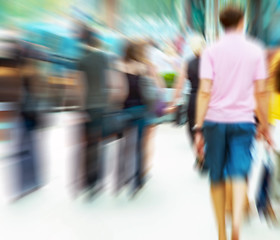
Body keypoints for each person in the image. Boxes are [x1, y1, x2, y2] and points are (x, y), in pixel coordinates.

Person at [194, 6, 271, 240]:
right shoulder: (255, 49)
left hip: (214, 121)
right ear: (242, 21)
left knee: (216, 176)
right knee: (238, 173)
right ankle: (236, 222)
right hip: (244, 121)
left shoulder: (210, 50)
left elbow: (204, 91)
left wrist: (198, 128)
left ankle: (221, 232)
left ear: (220, 23)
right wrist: (265, 123)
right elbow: (261, 91)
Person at [77, 30, 109, 194]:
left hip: (89, 107)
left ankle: (89, 181)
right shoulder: (105, 58)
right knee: (100, 142)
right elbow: (110, 82)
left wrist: (81, 109)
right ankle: (99, 178)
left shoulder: (82, 60)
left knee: (88, 144)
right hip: (103, 106)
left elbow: (81, 87)